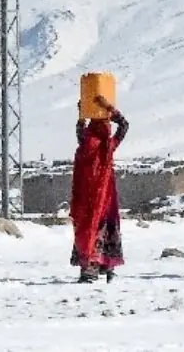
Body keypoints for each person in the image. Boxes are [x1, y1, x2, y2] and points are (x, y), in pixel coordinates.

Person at [70, 95, 129, 283]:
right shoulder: (108, 144)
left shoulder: (85, 142)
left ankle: (89, 269)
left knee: (88, 229)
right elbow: (124, 125)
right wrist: (110, 109)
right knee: (105, 227)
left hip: (86, 197)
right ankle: (108, 267)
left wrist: (82, 113)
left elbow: (80, 128)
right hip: (105, 196)